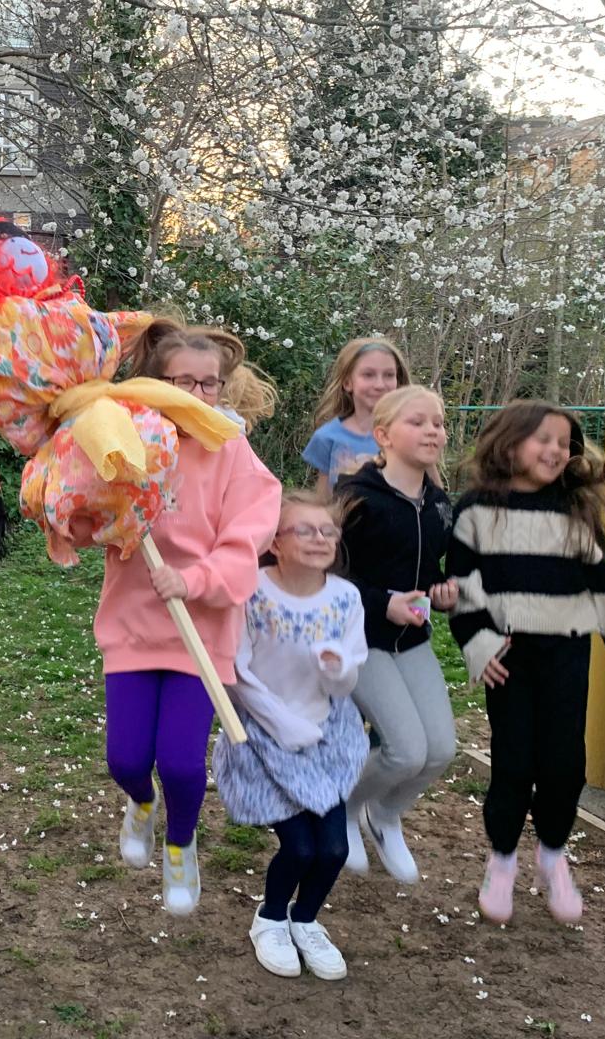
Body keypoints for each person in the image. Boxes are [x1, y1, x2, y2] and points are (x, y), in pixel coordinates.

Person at [448, 402, 605, 925]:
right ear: (509, 442)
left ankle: (552, 855)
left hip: (566, 654)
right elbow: (462, 585)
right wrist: (478, 644)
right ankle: (502, 860)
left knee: (564, 765)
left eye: (564, 442)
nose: (556, 450)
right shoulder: (477, 509)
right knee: (513, 763)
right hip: (508, 657)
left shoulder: (576, 511)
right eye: (543, 439)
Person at [89, 317, 281, 917]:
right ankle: (140, 802)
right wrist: (87, 515)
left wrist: (195, 579)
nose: (199, 394)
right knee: (125, 759)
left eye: (210, 383)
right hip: (134, 623)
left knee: (179, 760)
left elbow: (248, 538)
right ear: (158, 384)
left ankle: (180, 842)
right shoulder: (128, 441)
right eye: (185, 383)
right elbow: (88, 510)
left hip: (202, 631)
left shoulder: (233, 451)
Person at [213, 492, 368, 980]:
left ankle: (305, 921)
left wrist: (337, 669)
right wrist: (283, 724)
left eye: (328, 531)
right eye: (305, 530)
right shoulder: (252, 593)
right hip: (266, 738)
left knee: (335, 850)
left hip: (325, 737)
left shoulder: (345, 598)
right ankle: (271, 918)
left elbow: (349, 674)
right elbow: (236, 672)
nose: (320, 539)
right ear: (275, 543)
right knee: (300, 848)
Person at [335, 384, 458, 884]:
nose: (433, 431)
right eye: (418, 422)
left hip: (413, 640)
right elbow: (326, 575)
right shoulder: (356, 499)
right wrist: (382, 602)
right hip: (360, 640)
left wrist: (443, 592)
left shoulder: (439, 504)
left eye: (438, 423)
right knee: (406, 750)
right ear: (384, 436)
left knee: (440, 750)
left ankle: (384, 815)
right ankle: (345, 811)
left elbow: (429, 569)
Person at [303, 336, 411, 494]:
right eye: (368, 375)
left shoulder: (412, 434)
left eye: (389, 375)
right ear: (348, 383)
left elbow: (437, 499)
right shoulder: (328, 437)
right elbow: (323, 500)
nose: (380, 385)